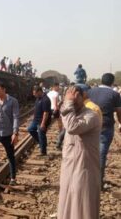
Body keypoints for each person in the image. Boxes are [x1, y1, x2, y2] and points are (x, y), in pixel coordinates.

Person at [57, 86, 101, 219]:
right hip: (69, 164)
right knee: (67, 198)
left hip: (84, 166)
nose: (73, 101)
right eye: (70, 98)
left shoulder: (91, 115)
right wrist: (68, 103)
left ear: (83, 97)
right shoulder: (71, 112)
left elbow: (72, 127)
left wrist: (69, 102)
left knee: (82, 201)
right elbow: (64, 115)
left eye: (76, 97)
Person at [88, 73, 121, 187]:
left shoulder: (90, 92)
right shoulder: (115, 94)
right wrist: (120, 123)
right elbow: (118, 111)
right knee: (101, 154)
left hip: (90, 126)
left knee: (88, 152)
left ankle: (86, 179)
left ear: (101, 80)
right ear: (112, 82)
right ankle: (98, 183)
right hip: (106, 126)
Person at [28, 86, 51, 156]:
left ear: (39, 92)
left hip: (42, 121)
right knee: (30, 129)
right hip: (36, 120)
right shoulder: (38, 98)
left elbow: (46, 113)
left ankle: (43, 152)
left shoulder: (45, 100)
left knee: (41, 134)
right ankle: (41, 143)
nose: (34, 95)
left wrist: (43, 124)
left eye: (35, 93)